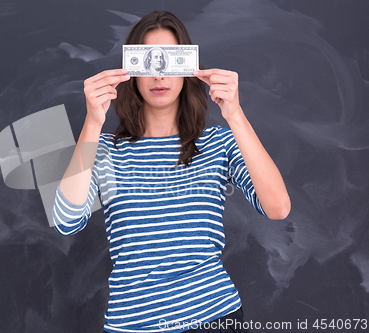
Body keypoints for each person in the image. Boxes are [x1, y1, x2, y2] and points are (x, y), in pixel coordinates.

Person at [52, 10, 290, 333]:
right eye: (148, 62)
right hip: (131, 325)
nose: (159, 75)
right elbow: (66, 221)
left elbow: (278, 207)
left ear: (187, 68)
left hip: (212, 317)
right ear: (132, 71)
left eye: (169, 60)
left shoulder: (218, 143)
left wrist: (235, 114)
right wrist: (92, 122)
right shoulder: (105, 149)